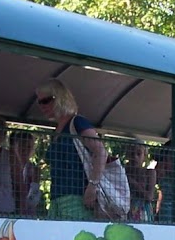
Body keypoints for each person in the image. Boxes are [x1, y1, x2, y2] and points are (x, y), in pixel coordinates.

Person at [37, 80, 106, 220]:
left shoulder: (78, 122)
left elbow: (101, 152)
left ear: (59, 98)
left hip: (77, 197)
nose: (42, 106)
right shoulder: (56, 130)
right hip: (56, 199)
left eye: (46, 101)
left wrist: (92, 186)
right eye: (39, 102)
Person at [123, 141, 155, 223]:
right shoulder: (123, 171)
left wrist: (133, 183)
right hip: (125, 209)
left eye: (138, 154)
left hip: (143, 211)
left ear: (144, 156)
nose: (135, 157)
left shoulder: (149, 172)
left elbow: (149, 197)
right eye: (132, 154)